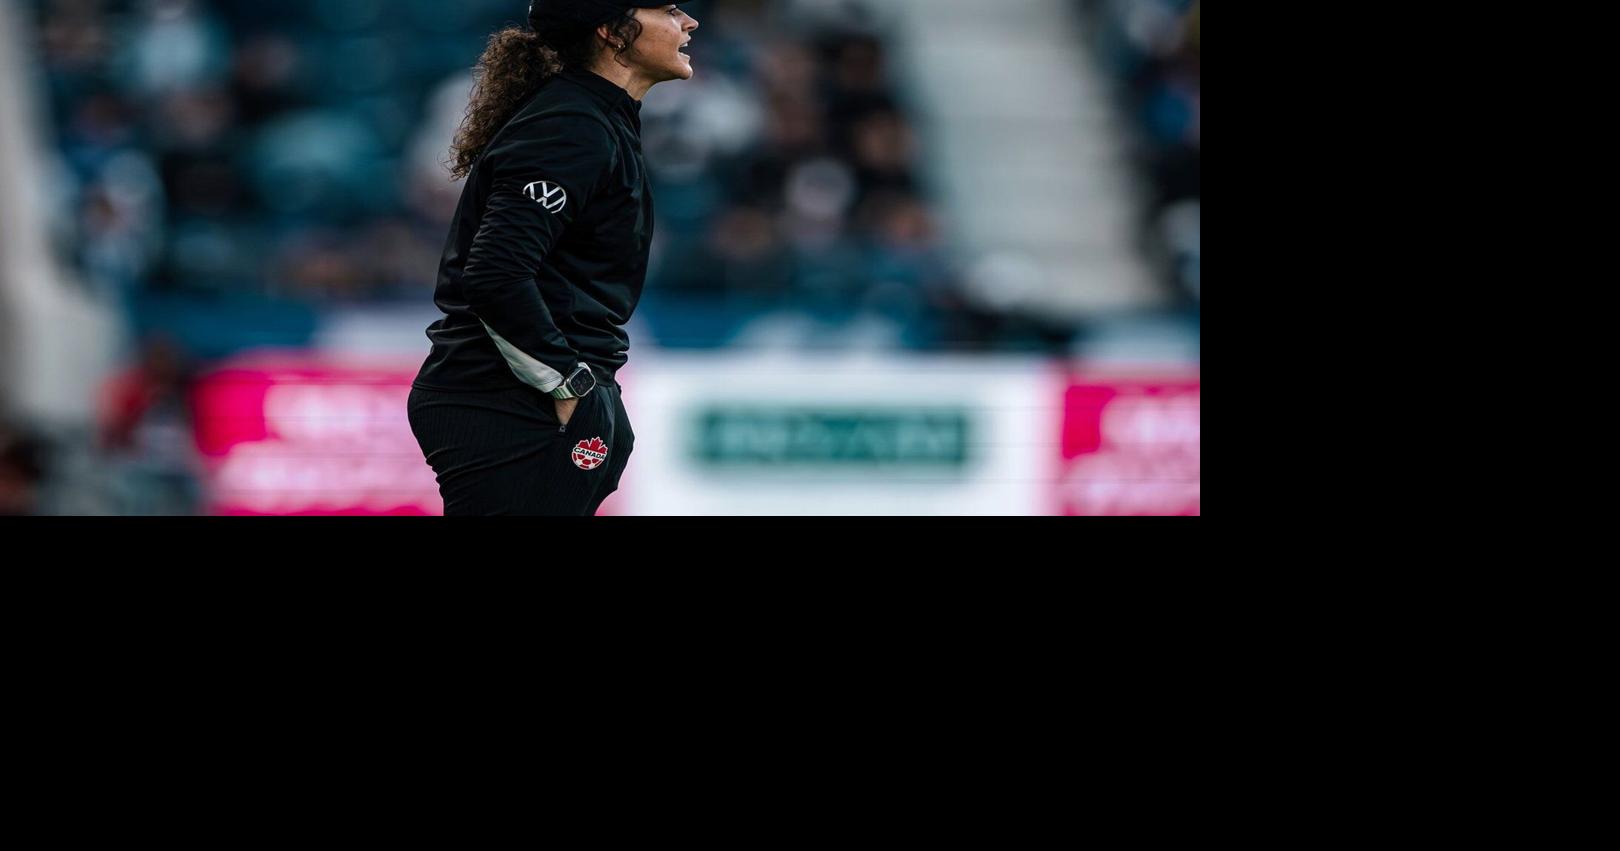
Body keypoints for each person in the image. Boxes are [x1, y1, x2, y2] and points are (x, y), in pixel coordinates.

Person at [408, 1, 700, 515]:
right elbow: (495, 274)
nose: (689, 23)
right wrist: (571, 383)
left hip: (531, 394)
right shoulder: (571, 125)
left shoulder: (595, 117)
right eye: (669, 10)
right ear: (612, 31)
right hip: (510, 397)